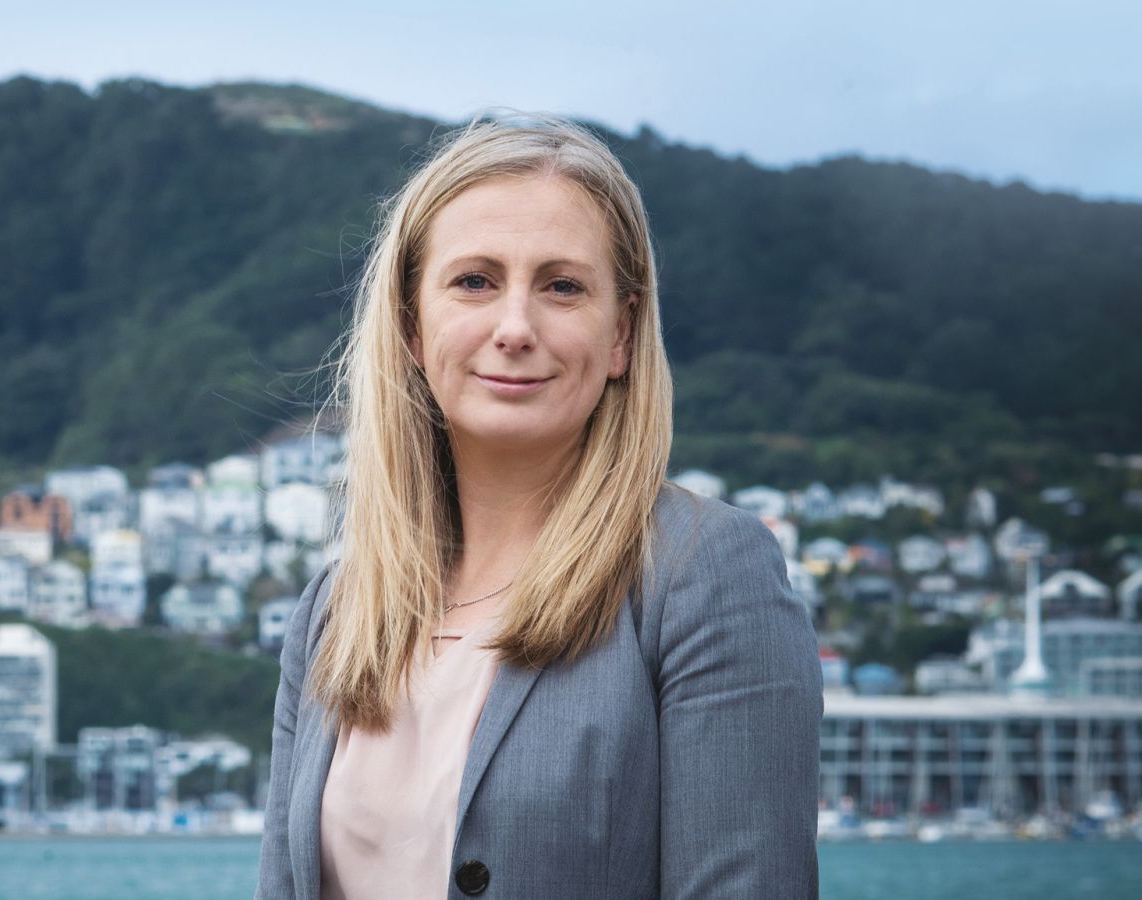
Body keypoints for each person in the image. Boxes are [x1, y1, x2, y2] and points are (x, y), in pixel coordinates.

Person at [256, 113, 822, 899]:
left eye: (562, 286)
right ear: (413, 326)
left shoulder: (702, 574)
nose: (515, 328)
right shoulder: (332, 613)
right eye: (475, 281)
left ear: (621, 333)